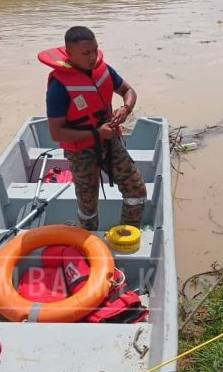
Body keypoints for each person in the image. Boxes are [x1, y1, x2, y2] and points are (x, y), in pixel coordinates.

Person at [38, 26, 146, 231]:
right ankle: (90, 244)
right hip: (81, 151)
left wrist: (125, 108)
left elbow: (128, 90)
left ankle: (128, 232)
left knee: (136, 189)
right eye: (86, 53)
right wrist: (96, 133)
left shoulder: (103, 69)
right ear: (69, 54)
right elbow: (56, 132)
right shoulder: (59, 87)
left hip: (110, 141)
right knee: (88, 206)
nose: (92, 56)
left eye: (95, 50)